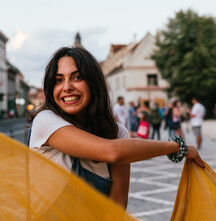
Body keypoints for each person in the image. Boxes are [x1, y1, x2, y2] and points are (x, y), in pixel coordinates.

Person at [27, 46, 204, 211]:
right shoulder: (46, 121)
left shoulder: (117, 132)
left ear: (93, 83)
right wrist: (177, 147)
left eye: (77, 77)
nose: (67, 87)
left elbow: (117, 207)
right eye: (58, 80)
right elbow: (112, 151)